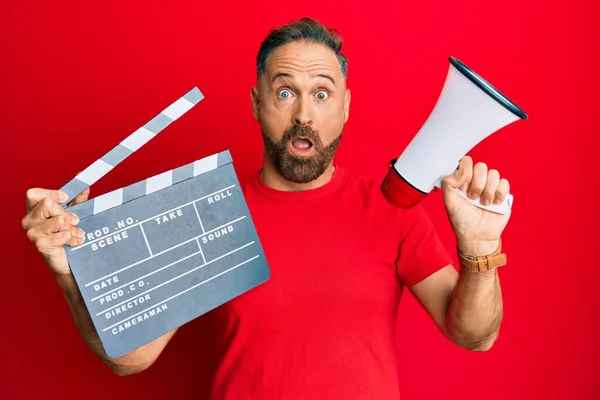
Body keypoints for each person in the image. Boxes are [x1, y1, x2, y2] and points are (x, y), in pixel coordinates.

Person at [22, 17, 513, 399]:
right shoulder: (210, 213)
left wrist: (481, 250)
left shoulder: (391, 209)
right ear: (257, 103)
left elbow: (474, 336)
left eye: (321, 94)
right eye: (285, 92)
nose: (303, 114)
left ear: (344, 107)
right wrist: (70, 275)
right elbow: (130, 358)